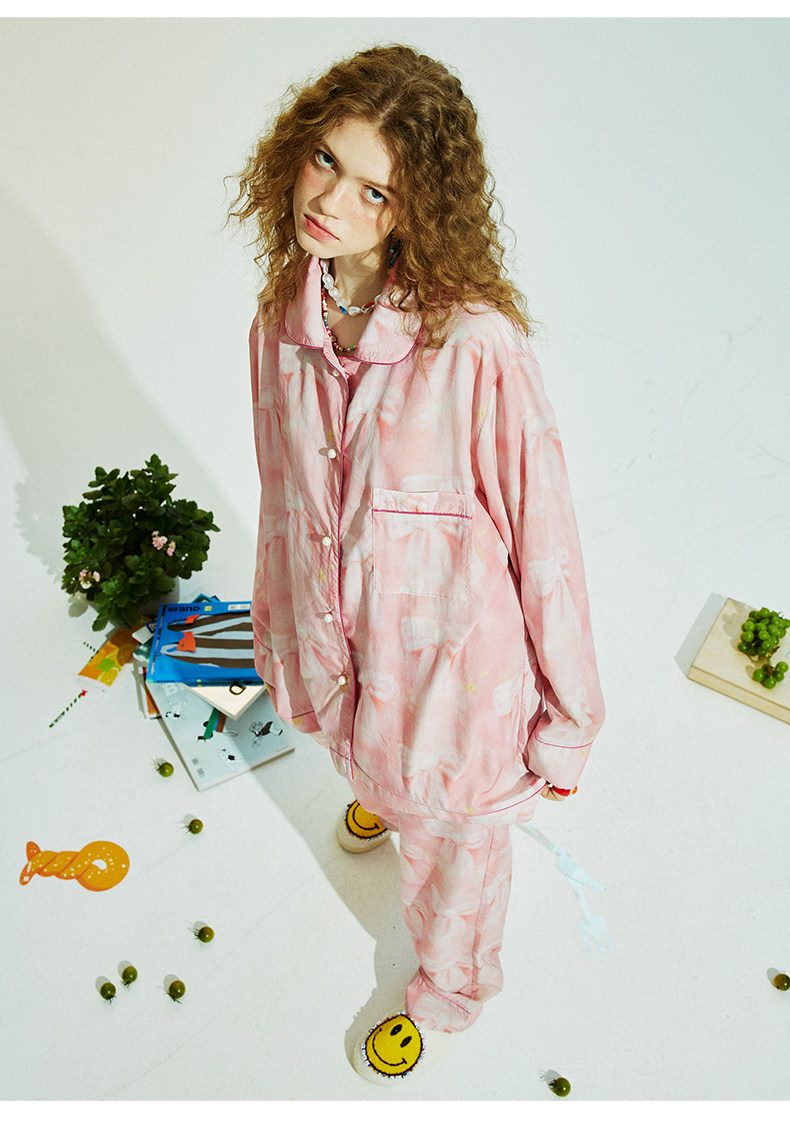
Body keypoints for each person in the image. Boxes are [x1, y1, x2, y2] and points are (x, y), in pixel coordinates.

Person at [230, 43, 605, 1085]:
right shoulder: (282, 319)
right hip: (342, 654)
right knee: (366, 755)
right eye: (324, 160)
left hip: (456, 686)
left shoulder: (474, 344)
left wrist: (570, 719)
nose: (330, 201)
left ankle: (451, 987)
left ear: (413, 210)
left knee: (457, 856)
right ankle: (386, 792)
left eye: (374, 189)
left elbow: (546, 535)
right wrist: (278, 629)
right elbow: (280, 494)